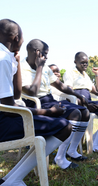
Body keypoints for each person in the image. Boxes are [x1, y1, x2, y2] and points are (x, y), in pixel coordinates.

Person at [0, 19, 72, 185]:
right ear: (17, 38)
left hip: (4, 116)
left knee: (56, 125)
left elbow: (15, 94)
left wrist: (16, 64)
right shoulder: (1, 59)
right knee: (64, 126)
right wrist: (48, 112)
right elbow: (9, 107)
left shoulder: (4, 56)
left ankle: (10, 179)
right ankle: (12, 180)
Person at [21, 39, 90, 169]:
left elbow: (61, 86)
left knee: (84, 112)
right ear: (37, 52)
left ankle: (71, 151)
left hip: (50, 100)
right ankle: (60, 158)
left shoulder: (46, 68)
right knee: (74, 114)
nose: (46, 57)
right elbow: (31, 92)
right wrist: (39, 67)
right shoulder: (21, 67)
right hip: (35, 104)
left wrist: (78, 95)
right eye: (45, 54)